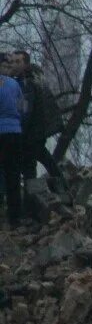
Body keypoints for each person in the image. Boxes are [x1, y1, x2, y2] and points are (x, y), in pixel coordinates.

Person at [6, 51, 65, 188]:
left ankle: (35, 201)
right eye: (12, 62)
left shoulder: (26, 83)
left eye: (17, 62)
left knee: (29, 171)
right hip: (35, 134)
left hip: (29, 136)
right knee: (43, 163)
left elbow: (24, 112)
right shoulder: (32, 79)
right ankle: (62, 190)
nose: (14, 65)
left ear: (25, 64)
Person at [0, 57, 25, 225]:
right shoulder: (15, 84)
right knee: (13, 173)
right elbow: (23, 108)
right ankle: (15, 216)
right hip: (15, 132)